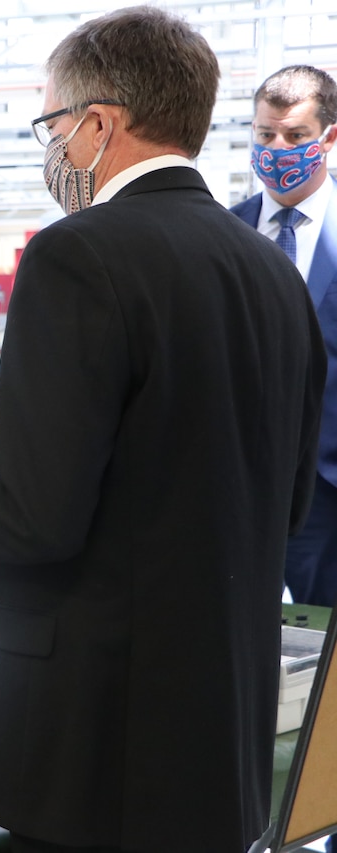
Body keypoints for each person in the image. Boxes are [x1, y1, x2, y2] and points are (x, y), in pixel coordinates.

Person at [0, 8, 325, 852]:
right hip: (220, 734)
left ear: (99, 125)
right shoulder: (273, 272)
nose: (50, 147)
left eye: (51, 123)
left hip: (98, 748)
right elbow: (283, 499)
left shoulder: (76, 255)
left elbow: (34, 517)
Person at [230, 65, 337, 611]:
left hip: (328, 484)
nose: (277, 147)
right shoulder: (226, 232)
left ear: (329, 137)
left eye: (295, 137)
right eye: (265, 134)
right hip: (242, 480)